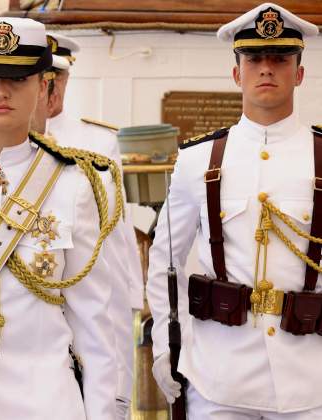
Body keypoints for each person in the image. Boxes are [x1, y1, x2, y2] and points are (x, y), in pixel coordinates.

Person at [147, 3, 322, 418]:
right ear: (236, 73)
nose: (266, 69)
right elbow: (164, 261)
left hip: (308, 379)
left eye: (279, 59)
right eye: (254, 59)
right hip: (217, 377)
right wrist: (163, 345)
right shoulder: (197, 160)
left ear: (298, 74)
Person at [0, 17, 125, 420]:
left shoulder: (76, 184)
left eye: (17, 78)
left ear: (43, 87)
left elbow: (95, 324)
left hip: (44, 401)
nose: (0, 91)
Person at [31, 32, 141, 420]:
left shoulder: (99, 142)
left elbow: (116, 237)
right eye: (44, 78)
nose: (51, 88)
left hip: (87, 289)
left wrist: (130, 302)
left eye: (57, 79)